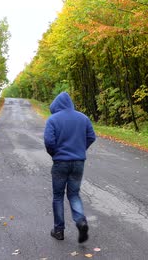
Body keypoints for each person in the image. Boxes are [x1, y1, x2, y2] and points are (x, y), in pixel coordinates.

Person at [44, 92, 96, 243]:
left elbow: (49, 141)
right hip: (78, 162)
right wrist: (80, 150)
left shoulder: (53, 119)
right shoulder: (83, 118)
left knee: (58, 196)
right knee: (74, 194)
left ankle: (59, 231)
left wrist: (55, 153)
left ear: (56, 105)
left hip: (60, 162)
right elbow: (91, 136)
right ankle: (81, 221)